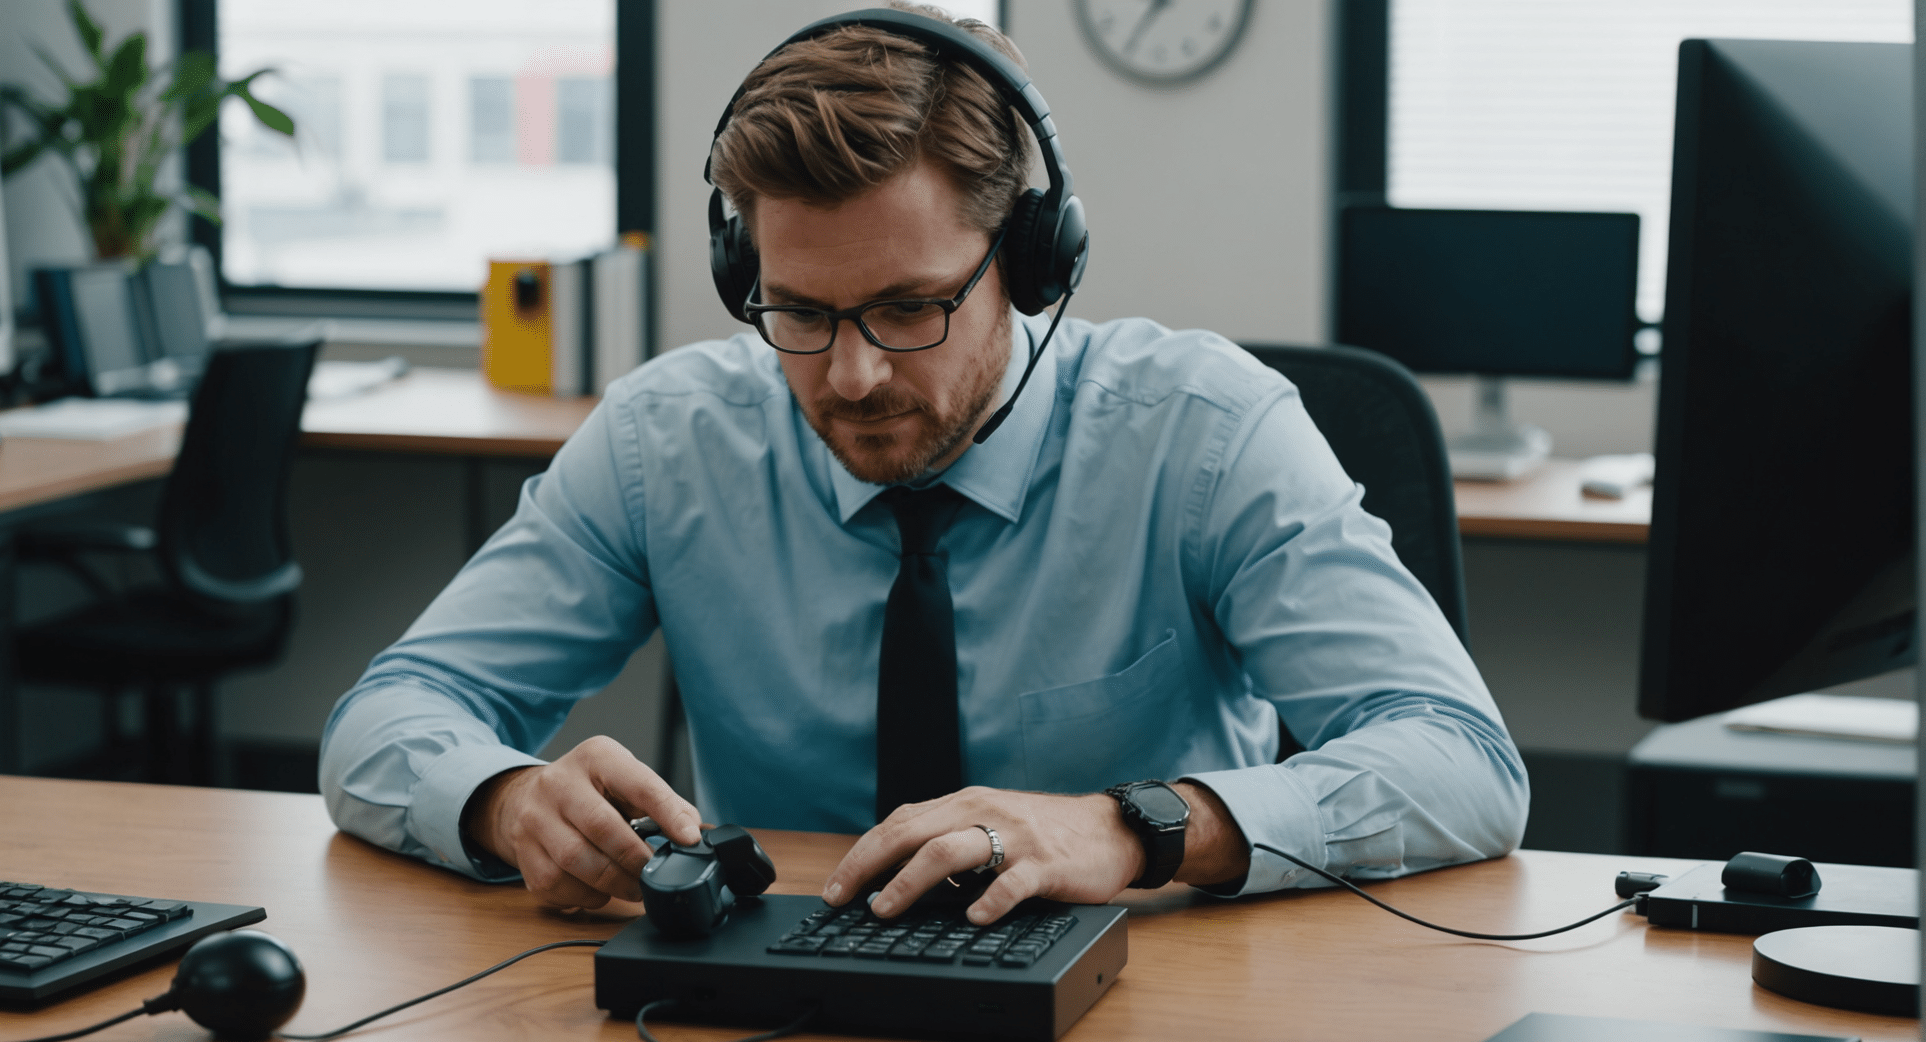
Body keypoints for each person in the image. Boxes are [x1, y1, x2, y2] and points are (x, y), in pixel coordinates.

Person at [320, 5, 1527, 928]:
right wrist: (506, 798)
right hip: (773, 1016)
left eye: (908, 309)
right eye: (797, 311)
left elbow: (1459, 761)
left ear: (1031, 264)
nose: (848, 376)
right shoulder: (664, 442)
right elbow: (384, 720)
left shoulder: (1207, 432)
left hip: (1137, 1009)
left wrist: (1137, 826)